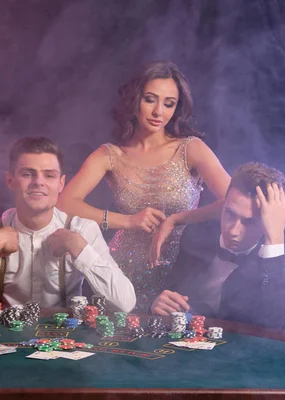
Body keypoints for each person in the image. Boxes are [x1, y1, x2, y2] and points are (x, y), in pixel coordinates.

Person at [57, 61, 230, 310]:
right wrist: (127, 221)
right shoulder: (110, 155)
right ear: (135, 99)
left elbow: (234, 202)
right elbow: (64, 203)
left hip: (180, 274)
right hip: (122, 273)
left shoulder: (190, 149)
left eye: (169, 104)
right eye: (150, 99)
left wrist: (177, 219)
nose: (159, 111)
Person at [0, 137, 136, 313]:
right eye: (28, 174)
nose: (38, 182)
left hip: (66, 344)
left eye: (49, 175)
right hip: (1, 344)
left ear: (61, 184)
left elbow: (125, 303)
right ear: (10, 180)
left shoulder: (81, 230)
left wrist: (79, 248)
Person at [150, 162, 285, 329]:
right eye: (230, 213)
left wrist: (273, 239)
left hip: (245, 348)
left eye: (249, 221)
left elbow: (274, 319)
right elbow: (173, 292)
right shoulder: (197, 233)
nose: (233, 230)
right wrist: (161, 302)